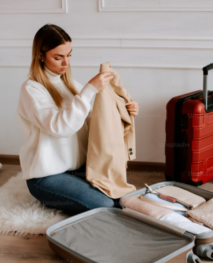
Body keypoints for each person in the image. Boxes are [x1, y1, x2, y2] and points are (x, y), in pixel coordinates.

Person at [16, 24, 139, 216]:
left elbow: (94, 125)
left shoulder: (72, 85)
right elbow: (60, 127)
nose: (66, 62)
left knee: (122, 195)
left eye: (69, 55)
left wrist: (124, 111)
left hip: (80, 168)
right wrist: (89, 89)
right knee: (105, 204)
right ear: (41, 56)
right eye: (58, 57)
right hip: (46, 177)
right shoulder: (31, 90)